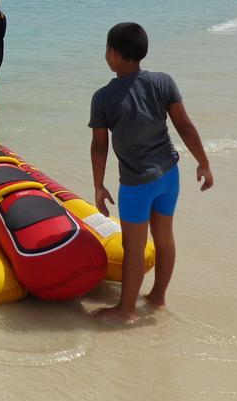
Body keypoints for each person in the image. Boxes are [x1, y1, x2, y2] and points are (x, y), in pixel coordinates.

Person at [89, 22, 213, 323]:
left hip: (136, 183)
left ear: (114, 54)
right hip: (169, 175)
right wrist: (203, 163)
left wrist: (99, 186)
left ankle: (126, 310)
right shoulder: (163, 82)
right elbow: (184, 126)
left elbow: (100, 146)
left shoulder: (103, 97)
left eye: (107, 49)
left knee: (133, 246)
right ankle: (157, 297)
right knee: (164, 237)